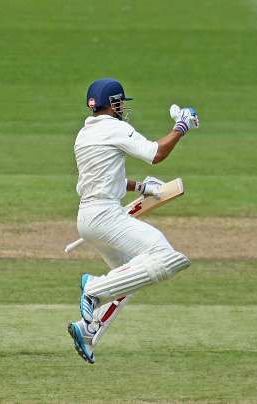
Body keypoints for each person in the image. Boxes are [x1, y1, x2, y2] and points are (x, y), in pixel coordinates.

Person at [67, 78, 199, 363]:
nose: (123, 107)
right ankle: (93, 288)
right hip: (105, 216)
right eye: (120, 102)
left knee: (128, 279)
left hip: (87, 217)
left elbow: (106, 177)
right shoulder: (115, 127)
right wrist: (181, 127)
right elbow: (156, 154)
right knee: (164, 255)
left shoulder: (84, 135)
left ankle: (87, 331)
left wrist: (141, 188)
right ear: (112, 103)